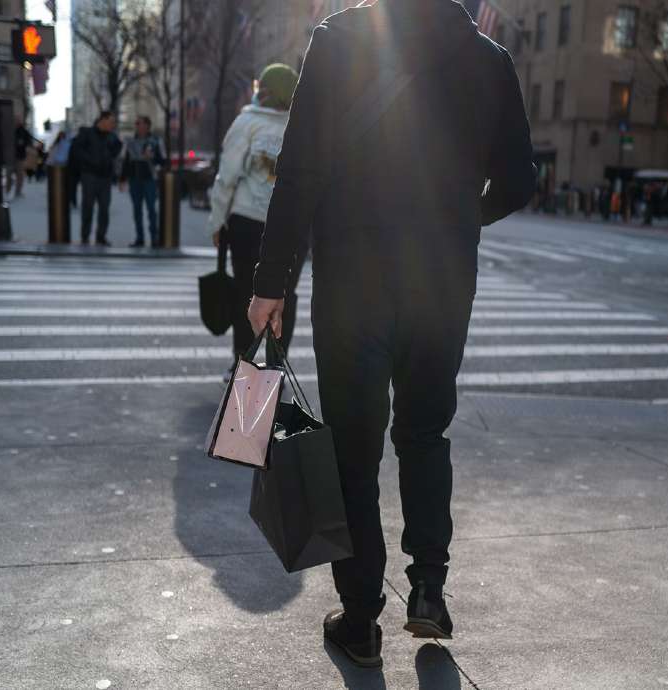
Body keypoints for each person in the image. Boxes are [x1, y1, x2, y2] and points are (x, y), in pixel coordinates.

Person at [247, 0, 535, 668]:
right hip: (441, 280)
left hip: (353, 279)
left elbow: (300, 172)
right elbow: (520, 180)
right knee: (425, 433)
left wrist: (271, 281)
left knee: (353, 448)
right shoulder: (490, 62)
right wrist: (463, 215)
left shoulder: (341, 39)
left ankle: (361, 617)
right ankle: (428, 587)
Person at [207, 64, 306, 370]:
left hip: (247, 222)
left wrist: (216, 221)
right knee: (285, 295)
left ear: (262, 90)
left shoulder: (247, 122)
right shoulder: (304, 126)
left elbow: (228, 177)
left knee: (244, 294)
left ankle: (242, 364)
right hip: (292, 226)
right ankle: (276, 366)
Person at [67, 111, 122, 245]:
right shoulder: (87, 133)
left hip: (105, 177)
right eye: (111, 122)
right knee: (88, 207)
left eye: (113, 122)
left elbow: (118, 147)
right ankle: (85, 236)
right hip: (89, 176)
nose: (113, 125)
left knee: (104, 208)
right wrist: (89, 161)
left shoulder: (112, 136)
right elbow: (76, 150)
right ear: (102, 120)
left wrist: (110, 158)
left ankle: (101, 236)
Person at [119, 116, 167, 247]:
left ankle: (154, 238)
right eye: (136, 123)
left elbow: (163, 161)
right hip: (134, 180)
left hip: (150, 180)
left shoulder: (156, 141)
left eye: (139, 123)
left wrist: (153, 158)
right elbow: (126, 162)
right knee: (137, 210)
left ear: (147, 125)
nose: (137, 126)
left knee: (152, 209)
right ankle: (139, 238)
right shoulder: (130, 141)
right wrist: (122, 179)